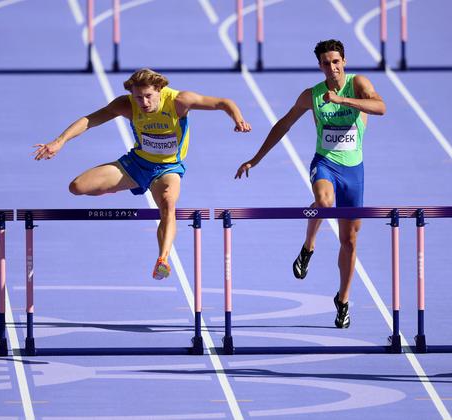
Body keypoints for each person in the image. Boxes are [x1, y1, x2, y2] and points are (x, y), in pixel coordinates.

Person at [34, 68, 251, 280]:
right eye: (138, 98)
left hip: (168, 169)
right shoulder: (126, 105)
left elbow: (224, 103)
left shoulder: (179, 101)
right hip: (137, 164)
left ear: (160, 90)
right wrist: (59, 141)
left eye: (148, 96)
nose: (144, 103)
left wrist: (238, 119)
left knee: (167, 202)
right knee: (77, 187)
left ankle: (163, 259)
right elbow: (89, 120)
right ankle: (119, 187)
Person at [235, 39, 386, 328]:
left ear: (344, 62)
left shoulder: (358, 84)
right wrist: (256, 159)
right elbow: (283, 124)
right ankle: (309, 246)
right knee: (324, 202)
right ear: (320, 66)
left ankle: (342, 300)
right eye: (326, 63)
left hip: (354, 171)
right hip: (325, 163)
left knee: (350, 241)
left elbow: (380, 107)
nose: (332, 67)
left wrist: (344, 101)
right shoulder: (312, 96)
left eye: (336, 61)